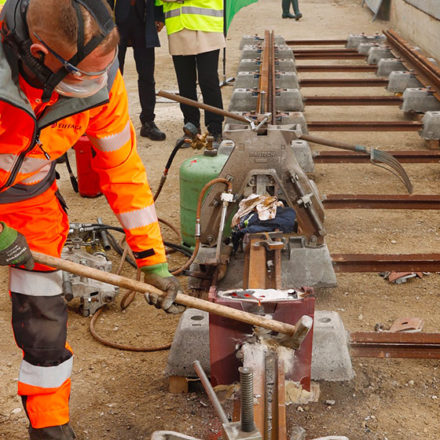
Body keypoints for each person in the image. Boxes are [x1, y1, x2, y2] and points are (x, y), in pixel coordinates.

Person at [0, 0, 183, 438]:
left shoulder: (101, 82)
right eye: (85, 77)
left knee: (44, 321)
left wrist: (151, 259)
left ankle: (49, 425)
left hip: (31, 202)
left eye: (106, 71)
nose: (98, 86)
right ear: (39, 55)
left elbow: (122, 170)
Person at [158, 0, 225, 146]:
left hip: (207, 26)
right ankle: (191, 126)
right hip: (178, 27)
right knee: (185, 83)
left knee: (208, 80)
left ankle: (215, 129)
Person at [108, 0, 166, 141]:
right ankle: (113, 124)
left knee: (147, 74)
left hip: (143, 19)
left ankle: (148, 122)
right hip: (116, 20)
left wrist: (159, 16)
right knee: (113, 77)